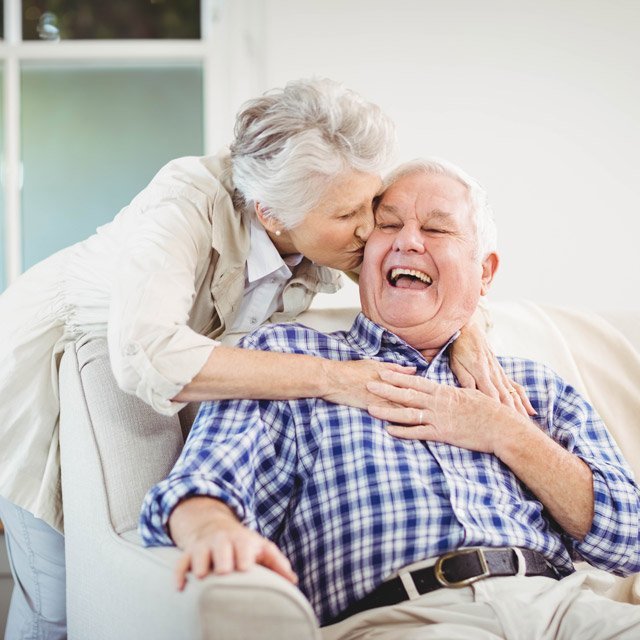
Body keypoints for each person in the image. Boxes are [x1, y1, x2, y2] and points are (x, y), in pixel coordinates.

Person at [0, 79, 525, 640]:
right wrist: (334, 379)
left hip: (166, 377)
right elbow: (146, 353)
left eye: (371, 204)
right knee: (53, 591)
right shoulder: (185, 202)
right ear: (270, 214)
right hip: (46, 370)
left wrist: (469, 331)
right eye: (350, 215)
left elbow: (424, 275)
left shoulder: (324, 212)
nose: (371, 229)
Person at [140, 158, 640, 639]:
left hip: (563, 610)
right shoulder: (285, 356)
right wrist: (211, 532)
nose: (408, 241)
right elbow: (200, 484)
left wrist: (506, 432)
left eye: (438, 230)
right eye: (388, 224)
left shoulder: (534, 386)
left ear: (485, 272)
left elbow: (629, 538)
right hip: (407, 615)